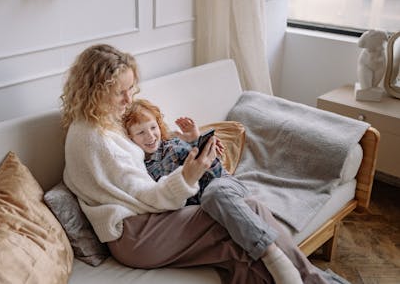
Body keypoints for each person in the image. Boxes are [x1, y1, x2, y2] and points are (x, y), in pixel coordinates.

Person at [60, 44, 330, 284]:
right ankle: (312, 280)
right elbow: (148, 198)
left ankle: (304, 278)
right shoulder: (95, 139)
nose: (128, 100)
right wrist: (189, 175)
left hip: (138, 229)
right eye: (120, 92)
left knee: (239, 246)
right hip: (136, 234)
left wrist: (187, 141)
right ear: (95, 91)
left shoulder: (98, 123)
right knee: (246, 209)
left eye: (131, 88)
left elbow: (117, 175)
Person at [122, 98, 306, 284]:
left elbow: (213, 171)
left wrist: (197, 140)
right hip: (204, 205)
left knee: (215, 192)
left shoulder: (173, 142)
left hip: (224, 186)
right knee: (226, 232)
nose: (150, 136)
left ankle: (274, 257)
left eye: (153, 128)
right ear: (129, 138)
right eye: (141, 132)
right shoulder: (140, 169)